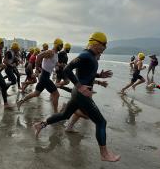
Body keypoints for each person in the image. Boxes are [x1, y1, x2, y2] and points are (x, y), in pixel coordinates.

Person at [32, 32, 120, 162]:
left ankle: (41, 124)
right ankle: (104, 154)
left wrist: (99, 76)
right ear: (95, 43)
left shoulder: (90, 56)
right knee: (101, 122)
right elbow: (67, 69)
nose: (104, 48)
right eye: (103, 45)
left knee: (64, 115)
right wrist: (80, 86)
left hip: (79, 93)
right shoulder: (85, 55)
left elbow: (86, 73)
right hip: (81, 94)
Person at [17, 38, 64, 113]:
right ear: (56, 45)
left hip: (45, 76)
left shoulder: (55, 54)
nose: (62, 47)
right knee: (56, 94)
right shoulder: (50, 52)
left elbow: (53, 62)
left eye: (62, 46)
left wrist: (60, 65)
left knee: (36, 93)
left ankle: (20, 102)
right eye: (61, 45)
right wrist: (36, 68)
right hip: (45, 76)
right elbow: (39, 56)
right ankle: (56, 113)